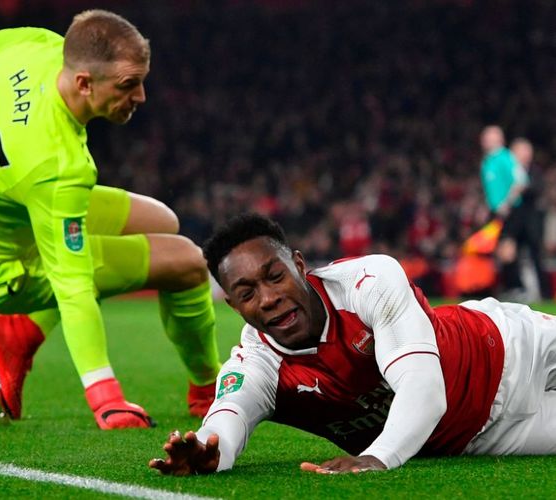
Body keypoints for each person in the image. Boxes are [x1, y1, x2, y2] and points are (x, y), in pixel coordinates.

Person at [0, 10, 221, 429]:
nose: (141, 97)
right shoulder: (58, 166)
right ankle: (208, 389)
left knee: (164, 220)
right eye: (128, 85)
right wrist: (106, 396)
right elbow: (73, 286)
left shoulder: (37, 46)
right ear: (84, 83)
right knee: (189, 263)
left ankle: (18, 334)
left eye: (142, 81)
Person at [149, 213, 556, 475]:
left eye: (275, 276)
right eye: (248, 292)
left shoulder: (369, 282)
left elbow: (425, 392)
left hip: (517, 348)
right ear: (236, 307)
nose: (268, 298)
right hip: (488, 437)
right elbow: (227, 419)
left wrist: (377, 457)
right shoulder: (255, 365)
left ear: (301, 265)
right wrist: (209, 452)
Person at [479, 126, 529, 299]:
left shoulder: (505, 157)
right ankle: (511, 286)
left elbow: (521, 180)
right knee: (501, 248)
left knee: (507, 247)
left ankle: (517, 287)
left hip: (512, 210)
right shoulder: (487, 162)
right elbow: (491, 190)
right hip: (498, 212)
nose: (483, 140)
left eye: (487, 137)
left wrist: (507, 203)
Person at [510, 137, 550, 300]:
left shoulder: (535, 170)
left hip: (532, 223)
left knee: (537, 258)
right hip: (513, 222)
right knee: (511, 257)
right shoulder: (509, 171)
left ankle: (544, 293)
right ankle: (516, 289)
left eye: (526, 150)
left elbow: (538, 188)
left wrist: (523, 188)